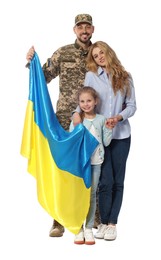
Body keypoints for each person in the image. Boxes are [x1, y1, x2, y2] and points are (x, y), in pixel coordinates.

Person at [25, 14, 97, 237]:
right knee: (62, 167)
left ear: (92, 29)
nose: (84, 30)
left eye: (87, 27)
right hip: (65, 117)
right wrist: (31, 62)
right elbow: (43, 75)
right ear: (74, 30)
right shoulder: (63, 53)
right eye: (80, 27)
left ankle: (93, 217)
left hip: (93, 117)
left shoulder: (99, 53)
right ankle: (58, 220)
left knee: (94, 164)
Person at [73, 41, 137, 241]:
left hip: (121, 136)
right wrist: (76, 114)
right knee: (104, 181)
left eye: (102, 53)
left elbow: (132, 106)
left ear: (109, 53)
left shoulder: (125, 77)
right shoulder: (91, 76)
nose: (99, 57)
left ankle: (112, 223)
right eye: (95, 55)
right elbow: (86, 99)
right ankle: (101, 223)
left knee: (118, 181)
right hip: (99, 138)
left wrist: (118, 117)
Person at [70, 87, 112, 245]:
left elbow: (106, 143)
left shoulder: (101, 119)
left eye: (89, 101)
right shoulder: (77, 119)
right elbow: (72, 140)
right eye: (82, 101)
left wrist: (108, 129)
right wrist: (76, 126)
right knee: (78, 194)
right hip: (80, 164)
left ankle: (88, 227)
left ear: (96, 102)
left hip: (96, 163)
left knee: (92, 194)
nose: (86, 104)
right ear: (78, 103)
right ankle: (78, 228)